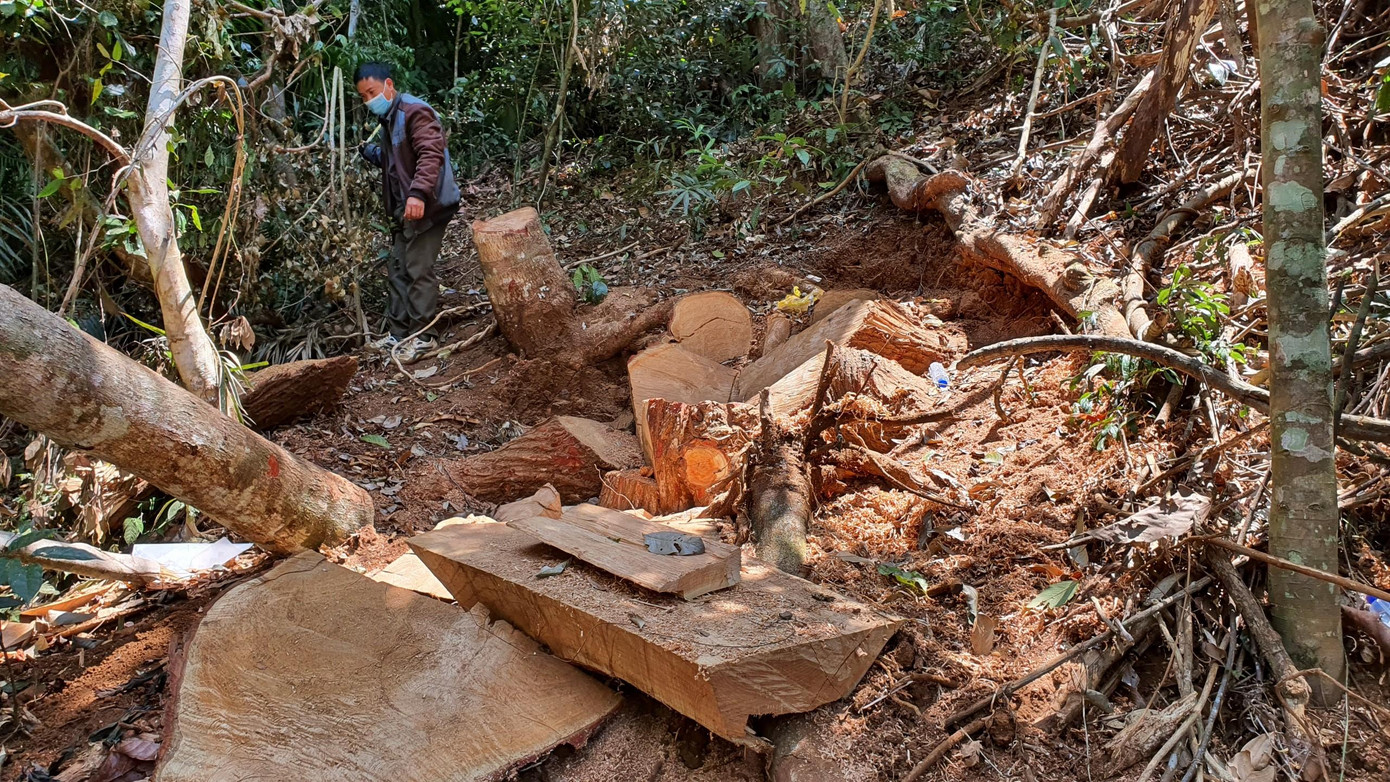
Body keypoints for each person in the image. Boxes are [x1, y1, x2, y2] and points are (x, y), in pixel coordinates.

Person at [355, 62, 461, 363]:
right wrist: (370, 152)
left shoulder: (413, 111)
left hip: (429, 205)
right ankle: (398, 335)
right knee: (399, 268)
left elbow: (431, 153)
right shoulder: (389, 119)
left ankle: (423, 337)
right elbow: (397, 162)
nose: (368, 100)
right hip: (408, 209)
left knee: (417, 268)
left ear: (388, 84)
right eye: (363, 96)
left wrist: (417, 194)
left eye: (372, 92)